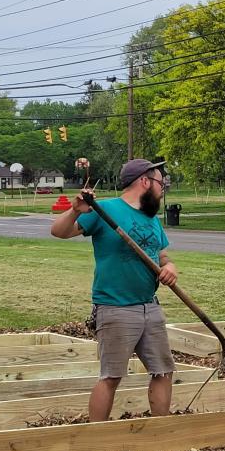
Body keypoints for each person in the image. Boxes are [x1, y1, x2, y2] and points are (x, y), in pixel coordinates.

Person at [50, 158, 178, 422]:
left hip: (149, 306)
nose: (163, 186)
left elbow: (162, 256)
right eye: (159, 181)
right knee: (111, 376)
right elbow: (59, 232)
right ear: (144, 181)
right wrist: (75, 211)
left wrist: (171, 268)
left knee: (163, 371)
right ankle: (98, 436)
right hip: (116, 308)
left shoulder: (151, 218)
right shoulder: (104, 210)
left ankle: (161, 431)